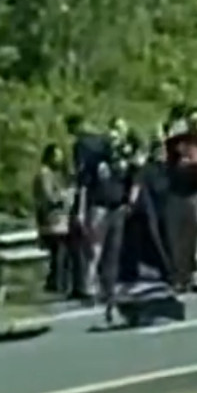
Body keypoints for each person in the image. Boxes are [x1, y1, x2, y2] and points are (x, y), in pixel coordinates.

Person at [164, 109, 197, 292]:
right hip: (177, 191)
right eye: (192, 122)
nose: (195, 126)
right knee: (177, 237)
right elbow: (166, 155)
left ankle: (196, 276)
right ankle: (180, 276)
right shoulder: (177, 141)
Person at [65, 113, 114, 302]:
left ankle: (89, 287)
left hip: (95, 200)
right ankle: (106, 286)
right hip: (113, 198)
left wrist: (80, 208)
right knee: (106, 247)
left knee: (93, 247)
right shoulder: (105, 140)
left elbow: (82, 178)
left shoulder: (82, 146)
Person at [32, 143, 75, 294]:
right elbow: (48, 197)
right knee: (59, 252)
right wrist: (65, 196)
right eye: (56, 156)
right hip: (51, 219)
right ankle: (56, 283)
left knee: (61, 253)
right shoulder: (44, 174)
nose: (59, 159)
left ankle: (58, 282)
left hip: (60, 219)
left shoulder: (57, 174)